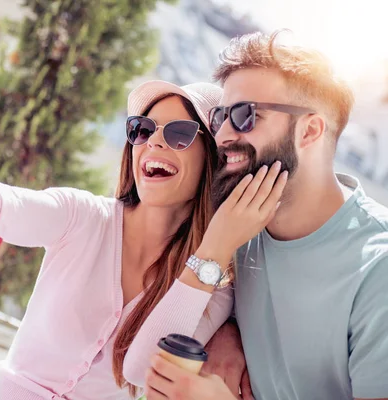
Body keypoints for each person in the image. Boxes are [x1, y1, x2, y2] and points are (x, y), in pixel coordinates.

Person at [0, 54, 285, 399]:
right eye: (142, 129)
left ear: (212, 160)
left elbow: (140, 372)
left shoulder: (212, 277)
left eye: (180, 134)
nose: (153, 144)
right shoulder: (81, 216)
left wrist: (212, 252)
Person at [144, 30, 388, 400]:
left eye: (246, 116)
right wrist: (230, 332)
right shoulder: (239, 226)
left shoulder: (377, 269)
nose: (223, 135)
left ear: (310, 130)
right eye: (221, 116)